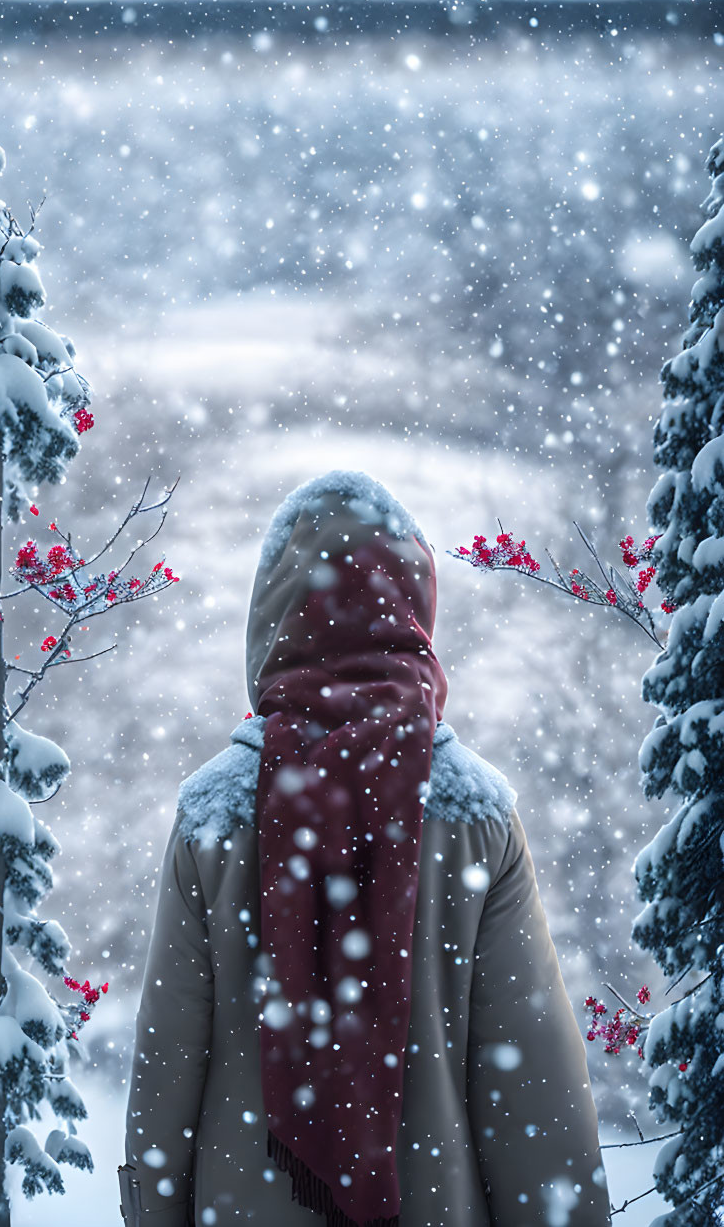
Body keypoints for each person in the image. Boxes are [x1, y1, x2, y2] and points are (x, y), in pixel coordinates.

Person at [119, 470, 612, 1227]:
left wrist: (152, 1213)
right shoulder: (475, 813)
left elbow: (167, 1071)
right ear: (413, 612)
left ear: (275, 619)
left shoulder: (212, 815)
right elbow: (534, 1091)